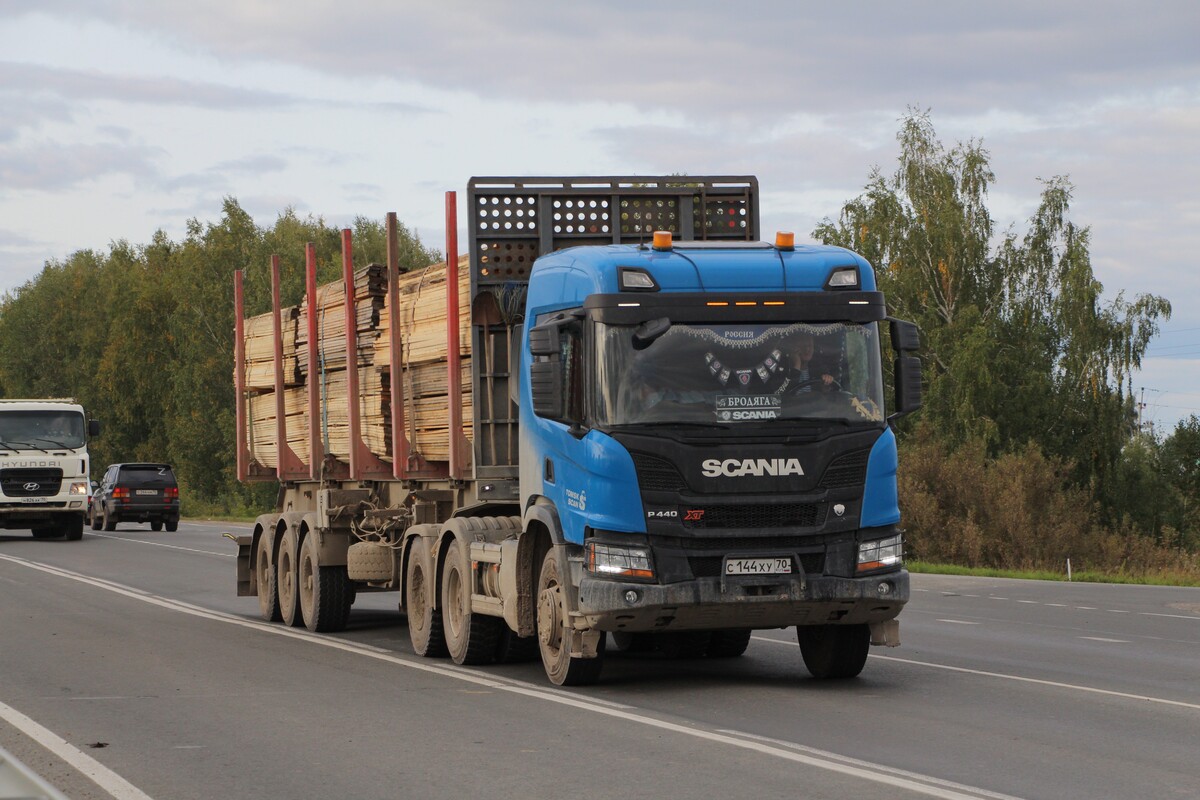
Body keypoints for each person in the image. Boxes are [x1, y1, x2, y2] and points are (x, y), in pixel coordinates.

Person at [776, 331, 835, 395]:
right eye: (803, 346)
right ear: (793, 347)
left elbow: (827, 397)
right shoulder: (781, 369)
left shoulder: (819, 370)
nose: (807, 349)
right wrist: (797, 365)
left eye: (810, 346)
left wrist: (826, 385)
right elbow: (781, 395)